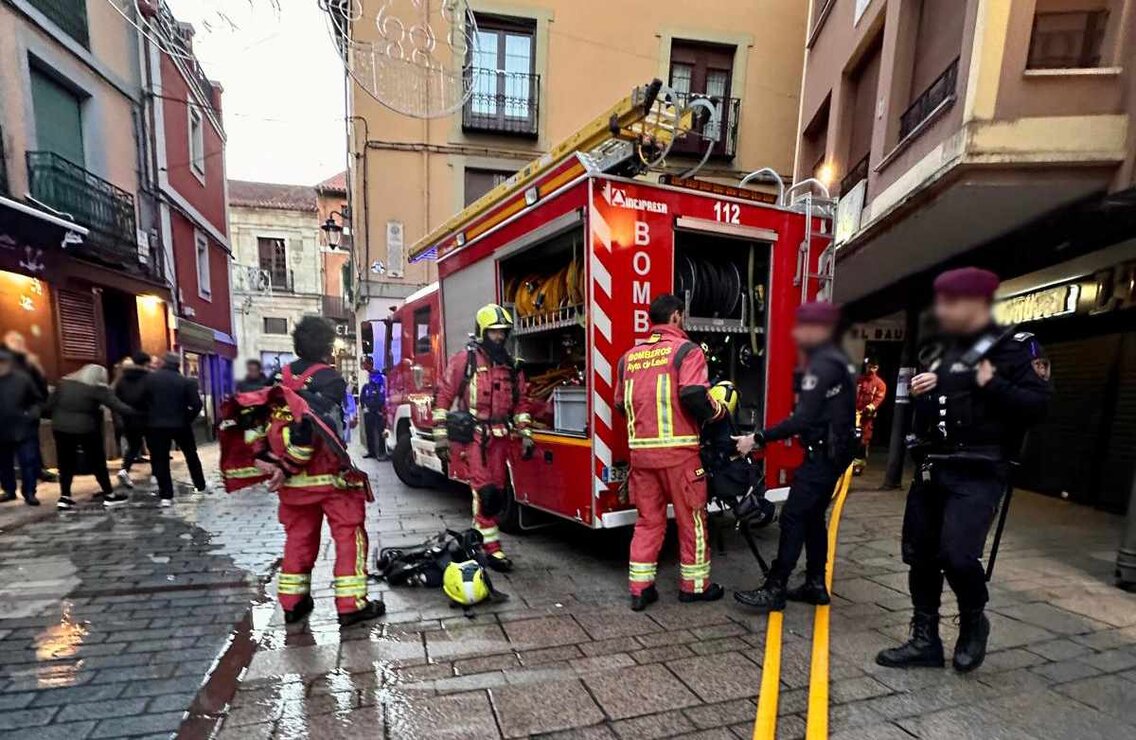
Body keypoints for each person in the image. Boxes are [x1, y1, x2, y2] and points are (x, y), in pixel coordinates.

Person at [876, 267, 1049, 673]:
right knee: (920, 555)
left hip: (979, 467)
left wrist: (983, 381)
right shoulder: (937, 350)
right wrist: (920, 400)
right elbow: (930, 414)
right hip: (934, 466)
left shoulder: (1014, 347)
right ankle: (925, 640)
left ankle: (974, 620)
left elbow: (1037, 406)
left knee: (957, 555)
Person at [259, 315, 384, 629]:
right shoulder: (331, 379)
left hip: (292, 483)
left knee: (298, 539)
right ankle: (351, 605)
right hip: (329, 478)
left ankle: (293, 604)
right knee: (348, 537)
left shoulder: (278, 377)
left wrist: (281, 465)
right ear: (327, 346)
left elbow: (261, 420)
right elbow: (317, 430)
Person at [734, 301, 856, 612]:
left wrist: (756, 438)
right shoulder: (837, 361)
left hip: (821, 458)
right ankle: (816, 583)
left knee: (793, 517)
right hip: (832, 455)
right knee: (814, 518)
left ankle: (775, 588)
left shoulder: (822, 365)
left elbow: (802, 420)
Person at [614, 294, 727, 611]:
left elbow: (621, 404)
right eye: (683, 315)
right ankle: (694, 587)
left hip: (642, 458)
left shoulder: (629, 358)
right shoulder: (686, 351)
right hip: (680, 457)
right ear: (676, 316)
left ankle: (640, 589)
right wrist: (717, 413)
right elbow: (693, 394)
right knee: (693, 519)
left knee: (648, 522)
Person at [433, 304, 534, 573]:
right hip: (474, 439)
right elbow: (443, 397)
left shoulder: (511, 367)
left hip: (502, 438)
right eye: (494, 332)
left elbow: (522, 403)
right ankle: (492, 549)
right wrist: (441, 437)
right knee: (485, 492)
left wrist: (526, 434)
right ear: (482, 332)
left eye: (503, 332)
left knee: (498, 494)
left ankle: (478, 540)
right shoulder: (464, 362)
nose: (499, 337)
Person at [46, 364, 136, 509]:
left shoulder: (63, 383)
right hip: (86, 428)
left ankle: (64, 497)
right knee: (97, 462)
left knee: (65, 463)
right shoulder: (97, 388)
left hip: (60, 428)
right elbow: (117, 406)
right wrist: (140, 413)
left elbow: (49, 405)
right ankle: (109, 494)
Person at [142, 352, 207, 506]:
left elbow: (140, 401)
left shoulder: (149, 380)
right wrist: (187, 418)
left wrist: (149, 417)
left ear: (163, 363)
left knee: (160, 459)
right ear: (178, 364)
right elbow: (197, 405)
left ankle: (166, 495)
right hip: (181, 425)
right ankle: (200, 484)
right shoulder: (186, 382)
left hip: (156, 426)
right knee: (191, 455)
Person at [3, 330, 55, 484]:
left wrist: (37, 409)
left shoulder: (30, 362)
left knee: (31, 446)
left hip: (27, 410)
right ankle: (9, 485)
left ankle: (36, 472)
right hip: (6, 411)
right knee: (6, 450)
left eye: (17, 342)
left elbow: (41, 385)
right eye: (12, 342)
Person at [0, 348, 43, 506]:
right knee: (4, 464)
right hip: (2, 430)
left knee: (28, 462)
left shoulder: (23, 379)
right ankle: (9, 490)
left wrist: (31, 415)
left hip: (24, 429)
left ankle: (30, 492)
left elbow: (37, 401)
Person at [113, 353, 150, 488]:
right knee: (154, 446)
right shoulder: (148, 378)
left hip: (129, 418)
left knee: (133, 446)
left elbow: (116, 399)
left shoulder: (121, 380)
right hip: (147, 417)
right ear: (145, 364)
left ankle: (124, 469)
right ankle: (158, 474)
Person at [853, 359, 888, 475]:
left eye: (874, 367)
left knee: (863, 441)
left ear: (877, 368)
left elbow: (879, 398)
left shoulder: (880, 384)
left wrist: (870, 407)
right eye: (869, 367)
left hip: (866, 417)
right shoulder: (859, 380)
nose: (871, 369)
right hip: (853, 414)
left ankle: (858, 465)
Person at [360, 363, 387, 460]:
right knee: (369, 433)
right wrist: (364, 407)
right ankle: (371, 452)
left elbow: (382, 398)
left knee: (380, 434)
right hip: (368, 412)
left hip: (378, 412)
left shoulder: (381, 386)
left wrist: (380, 409)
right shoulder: (366, 387)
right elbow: (362, 398)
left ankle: (381, 453)